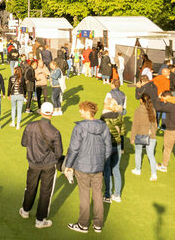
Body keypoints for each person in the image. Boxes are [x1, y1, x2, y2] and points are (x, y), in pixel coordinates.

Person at [65, 101, 112, 234]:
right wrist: (102, 163)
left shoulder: (79, 128)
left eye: (81, 110)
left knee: (85, 195)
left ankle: (83, 225)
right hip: (98, 167)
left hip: (82, 167)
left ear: (87, 112)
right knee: (97, 195)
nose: (79, 112)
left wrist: (68, 166)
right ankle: (98, 224)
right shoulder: (103, 126)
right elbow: (108, 149)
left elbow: (73, 149)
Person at [19, 102, 60, 228]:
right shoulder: (55, 132)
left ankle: (25, 211)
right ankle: (40, 220)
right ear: (52, 113)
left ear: (41, 111)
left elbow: (23, 143)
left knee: (30, 187)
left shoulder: (30, 126)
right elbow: (59, 153)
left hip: (33, 163)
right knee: (45, 192)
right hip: (48, 165)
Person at [101, 98, 125, 203]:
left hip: (107, 146)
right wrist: (122, 147)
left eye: (105, 103)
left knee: (107, 170)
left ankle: (107, 195)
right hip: (118, 145)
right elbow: (123, 132)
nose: (104, 104)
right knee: (116, 169)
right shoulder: (120, 117)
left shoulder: (103, 117)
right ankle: (117, 194)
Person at [130, 94, 158, 181]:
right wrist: (153, 132)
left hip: (140, 134)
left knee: (138, 152)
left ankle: (138, 169)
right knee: (151, 155)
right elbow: (155, 124)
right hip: (151, 135)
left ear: (141, 100)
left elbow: (135, 125)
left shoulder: (138, 110)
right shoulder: (152, 110)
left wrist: (132, 137)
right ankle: (154, 173)